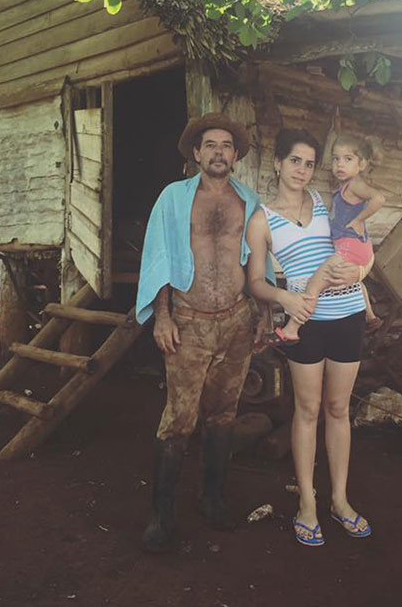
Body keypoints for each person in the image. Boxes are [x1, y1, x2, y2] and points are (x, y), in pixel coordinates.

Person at [134, 112, 272, 553]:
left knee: (224, 415)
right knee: (178, 418)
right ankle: (162, 515)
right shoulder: (173, 200)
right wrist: (163, 316)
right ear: (196, 154)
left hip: (236, 320)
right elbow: (157, 257)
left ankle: (213, 500)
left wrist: (264, 315)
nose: (218, 152)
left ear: (235, 155)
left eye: (226, 146)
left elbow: (259, 262)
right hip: (188, 321)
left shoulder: (249, 201)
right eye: (210, 144)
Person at [246, 127, 373, 547]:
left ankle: (339, 499)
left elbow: (361, 245)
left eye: (309, 163)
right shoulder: (262, 219)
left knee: (338, 409)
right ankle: (307, 503)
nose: (302, 169)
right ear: (278, 163)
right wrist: (284, 295)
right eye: (294, 160)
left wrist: (360, 273)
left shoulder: (328, 201)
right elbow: (256, 283)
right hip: (306, 321)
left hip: (349, 314)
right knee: (307, 410)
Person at [272, 133, 386, 343]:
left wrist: (360, 219)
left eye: (347, 159)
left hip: (350, 248)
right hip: (354, 247)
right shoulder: (341, 189)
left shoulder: (355, 185)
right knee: (347, 281)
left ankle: (292, 328)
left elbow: (379, 198)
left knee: (315, 283)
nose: (339, 164)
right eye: (336, 159)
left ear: (361, 164)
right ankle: (370, 316)